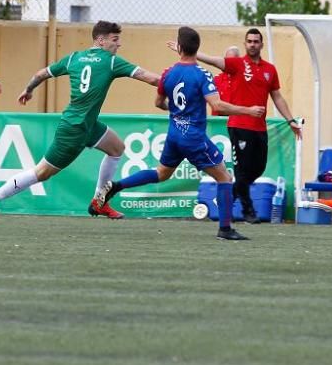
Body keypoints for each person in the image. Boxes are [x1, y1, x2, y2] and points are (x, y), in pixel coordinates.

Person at [0, 20, 160, 230]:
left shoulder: (73, 58)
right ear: (101, 40)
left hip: (87, 124)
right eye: (115, 40)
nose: (119, 44)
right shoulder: (111, 61)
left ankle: (99, 201)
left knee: (117, 148)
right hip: (74, 130)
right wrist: (177, 80)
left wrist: (29, 89)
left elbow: (40, 74)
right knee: (41, 173)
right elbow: (150, 79)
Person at [97, 27, 265, 240]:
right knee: (225, 177)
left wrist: (177, 111)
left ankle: (117, 185)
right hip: (193, 138)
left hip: (174, 135)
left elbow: (158, 103)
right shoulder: (202, 74)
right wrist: (248, 110)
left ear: (180, 49)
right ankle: (225, 229)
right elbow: (218, 106)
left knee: (161, 173)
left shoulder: (168, 73)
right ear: (197, 48)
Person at [177, 28, 301, 222]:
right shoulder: (237, 64)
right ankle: (248, 209)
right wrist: (188, 52)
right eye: (249, 41)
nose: (252, 44)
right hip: (239, 124)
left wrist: (290, 120)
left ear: (261, 44)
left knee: (258, 169)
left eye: (256, 41)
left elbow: (277, 96)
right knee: (242, 170)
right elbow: (213, 60)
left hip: (260, 127)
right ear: (245, 44)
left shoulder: (270, 69)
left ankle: (228, 197)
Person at [210, 45, 241, 113]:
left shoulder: (243, 80)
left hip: (237, 120)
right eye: (227, 60)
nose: (229, 63)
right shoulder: (217, 79)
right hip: (219, 121)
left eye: (232, 61)